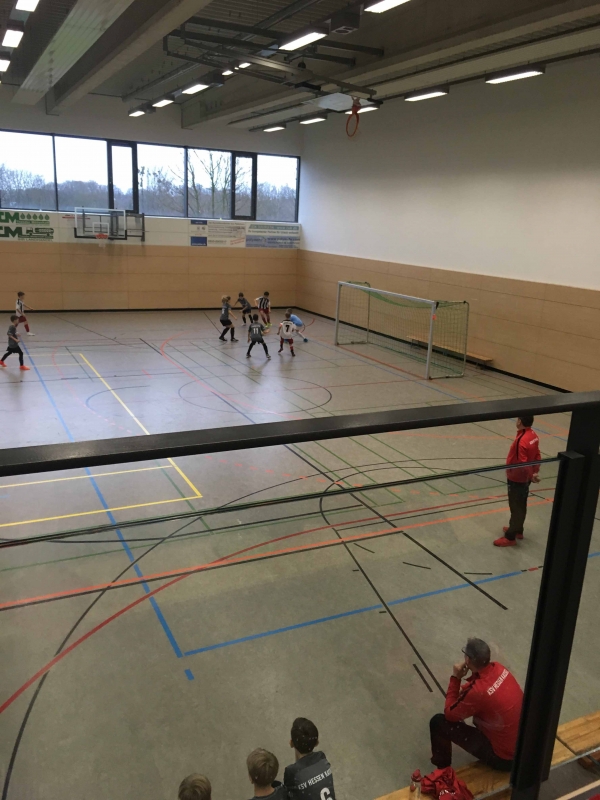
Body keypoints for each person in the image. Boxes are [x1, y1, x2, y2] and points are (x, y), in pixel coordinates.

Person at [429, 638, 523, 772]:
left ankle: (442, 770)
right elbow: (485, 684)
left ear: (467, 660)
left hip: (506, 760)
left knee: (438, 722)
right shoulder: (499, 668)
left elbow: (450, 714)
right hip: (524, 747)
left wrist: (456, 678)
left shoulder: (478, 692)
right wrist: (466, 690)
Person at [494, 415, 541, 547]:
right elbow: (537, 455)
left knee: (516, 507)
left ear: (520, 421)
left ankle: (510, 537)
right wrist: (535, 471)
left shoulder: (521, 440)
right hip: (525, 477)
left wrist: (531, 474)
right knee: (521, 503)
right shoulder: (533, 435)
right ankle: (518, 529)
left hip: (517, 477)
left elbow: (522, 462)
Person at [284, 717, 335, 799]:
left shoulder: (291, 772)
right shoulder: (321, 757)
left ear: (291, 743)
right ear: (317, 743)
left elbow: (289, 796)